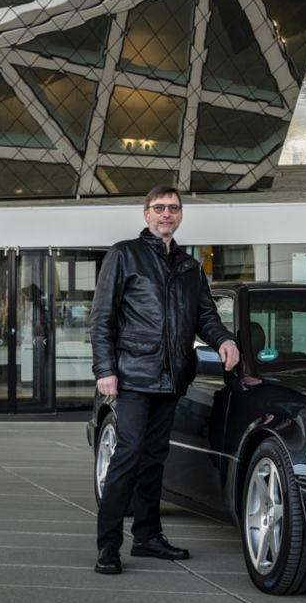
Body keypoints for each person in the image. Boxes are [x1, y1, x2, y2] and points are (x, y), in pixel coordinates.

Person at [89, 185, 239, 575]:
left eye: (173, 208)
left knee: (155, 459)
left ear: (181, 215)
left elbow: (205, 316)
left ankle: (147, 537)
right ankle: (108, 546)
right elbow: (101, 317)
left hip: (172, 378)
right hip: (133, 376)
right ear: (146, 214)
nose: (166, 214)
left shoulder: (190, 267)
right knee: (128, 455)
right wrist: (104, 370)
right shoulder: (124, 254)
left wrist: (224, 339)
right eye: (159, 208)